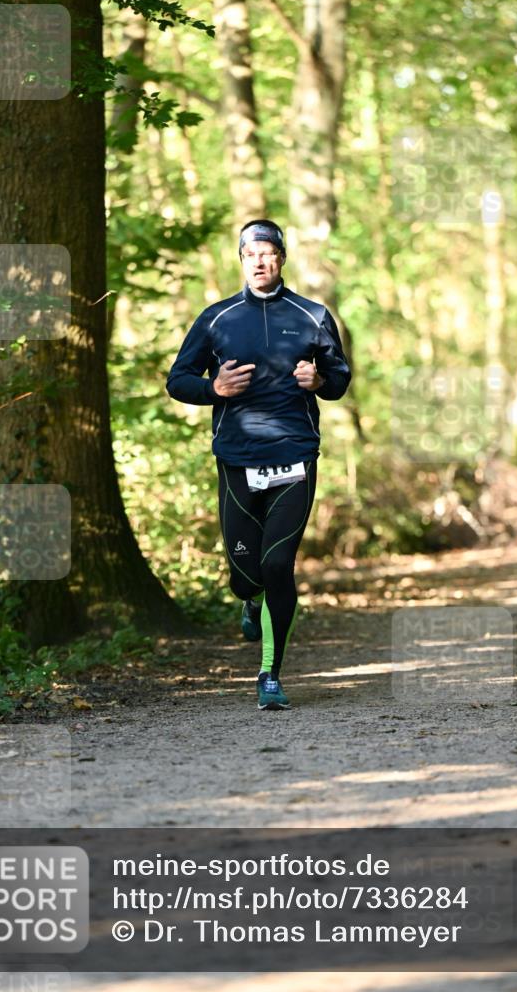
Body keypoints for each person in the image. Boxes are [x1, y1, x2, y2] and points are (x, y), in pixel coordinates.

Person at [166, 220, 351, 710]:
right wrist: (213, 390)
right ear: (242, 259)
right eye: (252, 254)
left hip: (294, 456)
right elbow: (177, 380)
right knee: (246, 574)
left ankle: (270, 673)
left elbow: (339, 379)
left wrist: (319, 380)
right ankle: (248, 600)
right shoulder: (217, 318)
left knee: (277, 565)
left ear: (282, 258)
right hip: (237, 460)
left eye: (269, 253)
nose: (261, 261)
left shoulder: (311, 315)